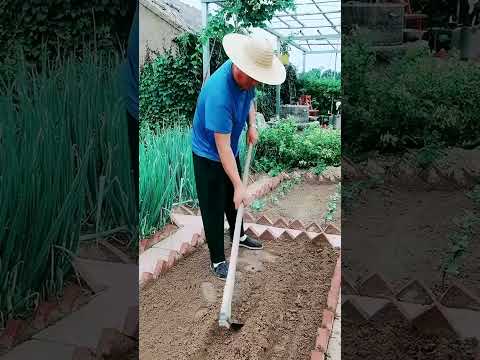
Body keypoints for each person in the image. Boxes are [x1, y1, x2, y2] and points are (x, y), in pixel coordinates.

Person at [191, 33, 286, 280]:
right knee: (214, 205)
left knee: (233, 203)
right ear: (240, 69)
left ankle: (239, 236)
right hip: (208, 155)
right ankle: (217, 259)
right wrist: (239, 184)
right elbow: (221, 148)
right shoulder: (219, 95)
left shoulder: (246, 79)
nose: (255, 83)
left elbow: (250, 98)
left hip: (228, 150)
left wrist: (252, 125)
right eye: (253, 78)